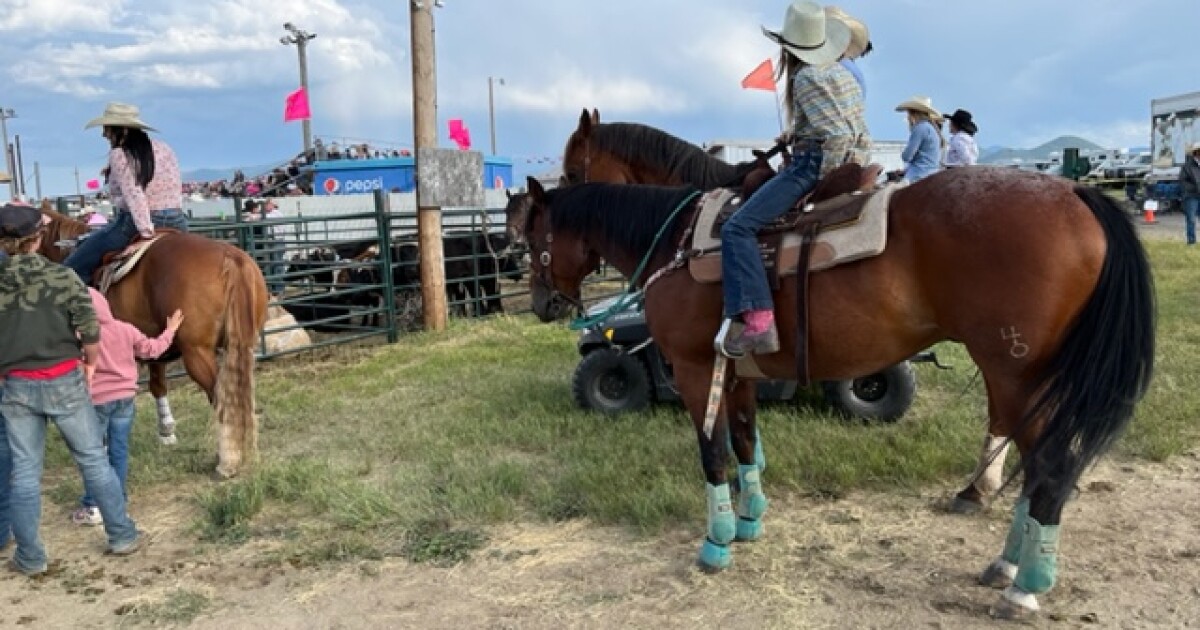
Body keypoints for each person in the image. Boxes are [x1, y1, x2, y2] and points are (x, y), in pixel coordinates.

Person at [716, 1, 865, 358]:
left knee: (737, 228)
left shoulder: (806, 78)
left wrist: (824, 178)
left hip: (810, 166)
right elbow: (849, 127)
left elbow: (835, 135)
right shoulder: (839, 71)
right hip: (840, 155)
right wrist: (796, 133)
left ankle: (759, 322)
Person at [0, 203, 141, 575]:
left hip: (15, 385)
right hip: (64, 378)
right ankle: (121, 534)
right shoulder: (63, 278)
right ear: (38, 238)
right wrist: (91, 364)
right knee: (94, 459)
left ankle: (30, 556)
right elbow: (90, 329)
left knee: (25, 473)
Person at [71, 289, 182, 526]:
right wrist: (170, 330)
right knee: (118, 450)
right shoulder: (125, 330)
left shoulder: (80, 336)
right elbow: (153, 350)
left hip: (96, 401)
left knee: (94, 454)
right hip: (125, 399)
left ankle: (93, 505)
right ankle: (117, 500)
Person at [64, 102, 185, 285]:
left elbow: (134, 195)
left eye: (107, 128)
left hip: (136, 223)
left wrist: (146, 233)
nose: (104, 134)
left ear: (122, 130)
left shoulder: (120, 154)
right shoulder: (164, 148)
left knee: (72, 268)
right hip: (177, 219)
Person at [893, 95, 944, 184]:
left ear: (913, 113)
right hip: (932, 173)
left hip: (918, 175)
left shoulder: (920, 128)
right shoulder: (931, 128)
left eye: (908, 113)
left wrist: (904, 155)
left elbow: (907, 156)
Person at [1180, 143, 1200, 246]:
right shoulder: (1187, 166)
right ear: (1196, 152)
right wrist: (1195, 188)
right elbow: (1183, 181)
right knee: (1191, 219)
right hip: (1191, 196)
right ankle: (1191, 241)